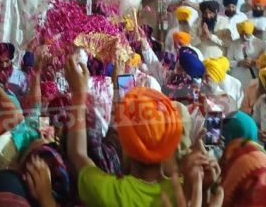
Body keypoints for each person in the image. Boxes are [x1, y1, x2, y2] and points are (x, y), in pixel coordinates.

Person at [64, 55, 183, 206]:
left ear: (124, 146)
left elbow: (77, 154)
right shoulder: (184, 190)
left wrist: (78, 94)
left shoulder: (112, 192)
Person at [227, 21, 266, 87]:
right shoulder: (233, 44)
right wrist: (239, 63)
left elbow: (265, 62)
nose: (244, 37)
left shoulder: (260, 44)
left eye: (247, 34)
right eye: (242, 35)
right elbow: (228, 62)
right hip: (237, 79)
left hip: (254, 78)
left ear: (251, 33)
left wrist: (255, 62)